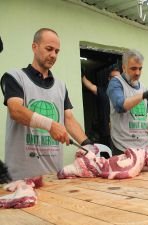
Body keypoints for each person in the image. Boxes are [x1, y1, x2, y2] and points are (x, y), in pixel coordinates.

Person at [0, 28, 91, 180]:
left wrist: (87, 144)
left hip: (54, 177)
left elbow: (68, 119)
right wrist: (50, 125)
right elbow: (15, 110)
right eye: (49, 49)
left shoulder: (61, 86)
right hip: (21, 179)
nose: (53, 55)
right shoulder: (14, 77)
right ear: (34, 47)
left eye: (57, 51)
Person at [107, 49, 148, 155]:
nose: (137, 73)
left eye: (140, 68)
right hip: (123, 147)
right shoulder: (116, 83)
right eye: (133, 69)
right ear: (124, 67)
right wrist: (144, 95)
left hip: (143, 146)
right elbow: (120, 106)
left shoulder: (142, 86)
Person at [82, 65, 120, 150]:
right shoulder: (103, 91)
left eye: (118, 78)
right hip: (104, 134)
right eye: (114, 78)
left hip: (120, 135)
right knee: (105, 157)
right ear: (109, 79)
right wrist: (82, 74)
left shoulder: (124, 94)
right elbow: (90, 86)